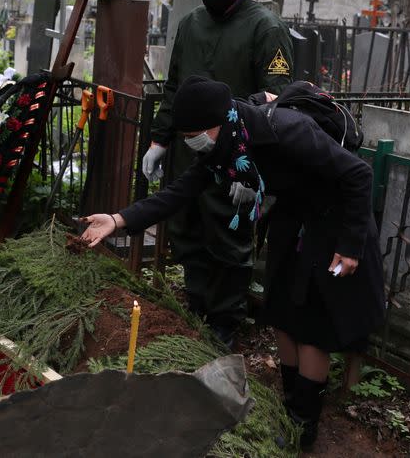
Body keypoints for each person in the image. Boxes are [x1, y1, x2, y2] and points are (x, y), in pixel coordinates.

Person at [82, 76, 385, 449]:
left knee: (311, 328)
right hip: (295, 218)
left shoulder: (287, 130)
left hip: (334, 223)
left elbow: (358, 174)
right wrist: (118, 220)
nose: (192, 143)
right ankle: (290, 406)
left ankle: (303, 428)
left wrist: (351, 245)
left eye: (193, 134)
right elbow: (181, 191)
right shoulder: (226, 143)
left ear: (215, 123)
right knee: (282, 315)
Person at [142, 0, 294, 346]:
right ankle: (196, 304)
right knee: (187, 229)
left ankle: (225, 319)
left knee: (229, 237)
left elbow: (276, 98)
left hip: (236, 158)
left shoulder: (265, 28)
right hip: (189, 150)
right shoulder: (193, 23)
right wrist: (160, 138)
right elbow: (174, 86)